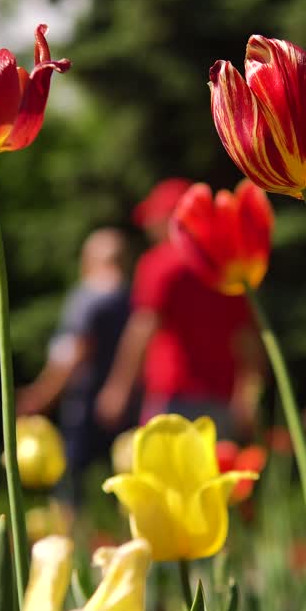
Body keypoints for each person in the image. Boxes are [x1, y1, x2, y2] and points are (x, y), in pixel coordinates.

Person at [95, 178, 264, 440]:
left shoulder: (159, 263)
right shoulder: (225, 266)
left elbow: (143, 328)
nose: (148, 229)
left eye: (152, 220)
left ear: (169, 220)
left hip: (172, 395)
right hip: (221, 398)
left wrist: (118, 388)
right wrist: (248, 398)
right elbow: (247, 341)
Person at [18, 228, 136, 506]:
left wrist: (42, 395)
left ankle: (69, 540)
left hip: (84, 403)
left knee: (69, 485)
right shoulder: (134, 298)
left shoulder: (89, 296)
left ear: (89, 259)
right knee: (125, 487)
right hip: (129, 403)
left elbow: (74, 353)